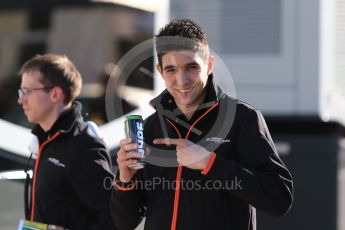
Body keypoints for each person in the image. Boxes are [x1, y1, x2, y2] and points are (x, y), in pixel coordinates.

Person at [110, 19, 293, 230]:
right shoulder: (150, 128)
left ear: (209, 65)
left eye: (191, 67)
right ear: (160, 71)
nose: (182, 79)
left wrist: (210, 163)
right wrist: (125, 179)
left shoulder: (243, 118)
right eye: (171, 70)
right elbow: (124, 223)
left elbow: (279, 199)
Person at [18, 54, 117, 230]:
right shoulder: (45, 138)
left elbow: (114, 218)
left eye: (27, 91)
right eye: (21, 92)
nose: (20, 100)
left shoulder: (84, 145)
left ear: (55, 93)